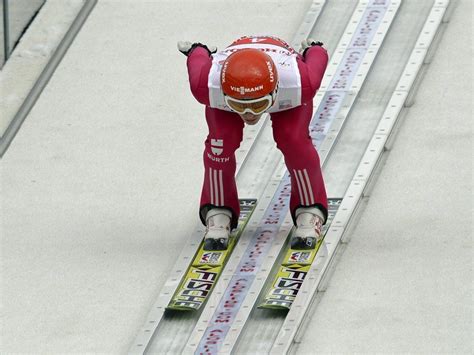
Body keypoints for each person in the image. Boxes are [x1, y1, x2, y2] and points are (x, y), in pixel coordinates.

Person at [178, 35, 328, 250]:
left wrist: (314, 51)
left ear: (275, 92)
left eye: (259, 105)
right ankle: (218, 208)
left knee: (294, 140)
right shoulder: (206, 85)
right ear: (226, 97)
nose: (248, 114)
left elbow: (317, 60)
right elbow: (198, 60)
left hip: (277, 82)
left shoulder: (300, 83)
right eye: (239, 107)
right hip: (233, 89)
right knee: (220, 144)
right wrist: (198, 51)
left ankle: (309, 207)